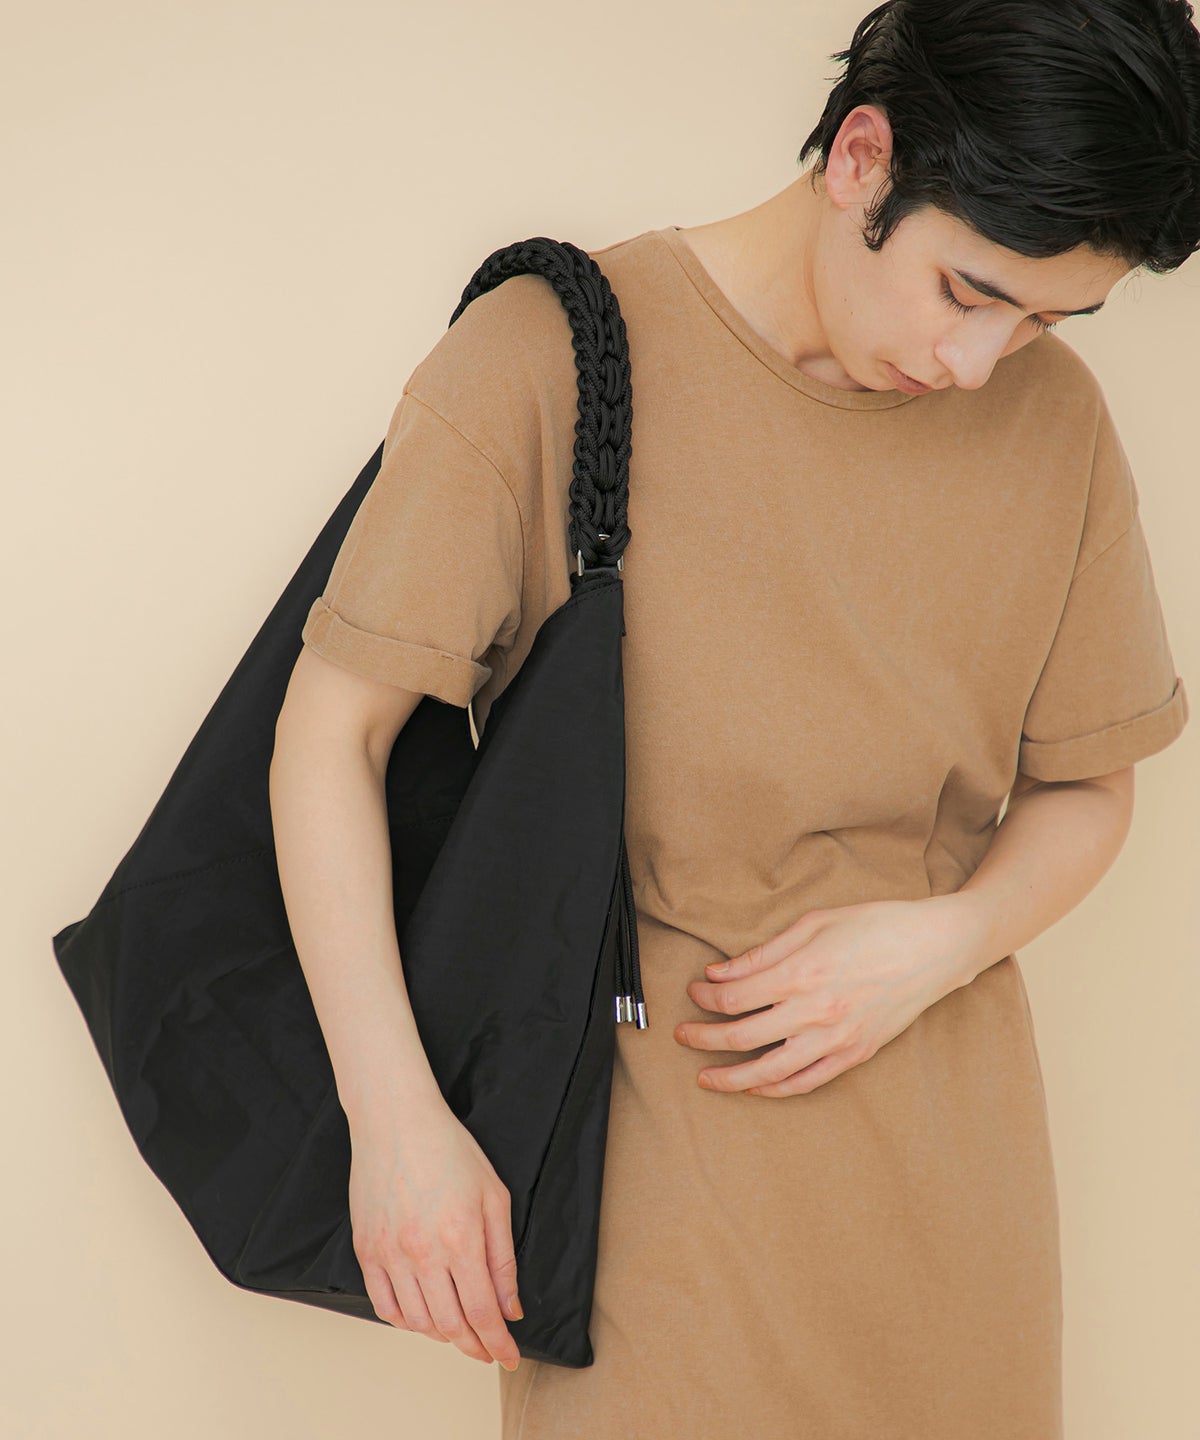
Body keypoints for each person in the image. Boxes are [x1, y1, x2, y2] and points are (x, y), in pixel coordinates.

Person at [268, 1, 1197, 1434]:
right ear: (863, 159)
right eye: (968, 293)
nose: (981, 362)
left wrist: (944, 939)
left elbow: (1089, 785)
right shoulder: (546, 360)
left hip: (954, 1200)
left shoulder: (1055, 423)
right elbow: (333, 737)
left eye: (1043, 320)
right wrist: (394, 1125)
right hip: (641, 1190)